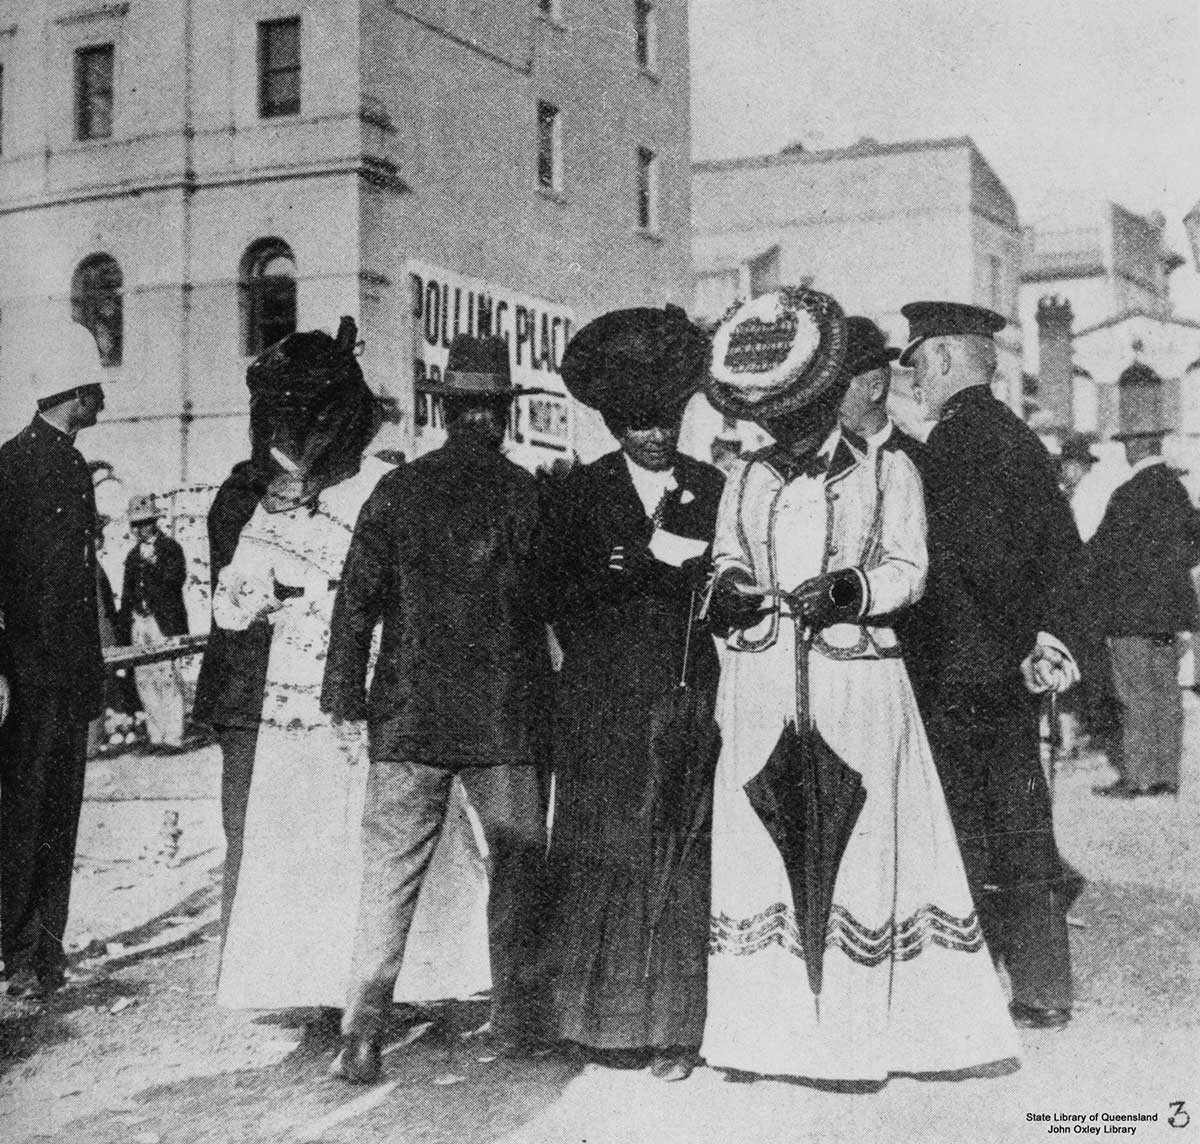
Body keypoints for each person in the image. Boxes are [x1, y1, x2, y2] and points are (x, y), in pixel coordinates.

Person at [698, 287, 1018, 1083]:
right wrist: (734, 591)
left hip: (859, 681)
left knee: (869, 842)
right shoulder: (747, 477)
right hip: (763, 679)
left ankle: (868, 1040)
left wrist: (852, 591)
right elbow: (724, 558)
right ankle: (763, 1041)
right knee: (763, 845)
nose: (791, 429)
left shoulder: (891, 472)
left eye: (804, 411)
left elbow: (910, 569)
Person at [321, 333, 554, 1085]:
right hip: (504, 719)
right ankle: (519, 1022)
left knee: (388, 876)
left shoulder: (397, 490)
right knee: (517, 868)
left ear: (450, 412)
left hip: (409, 717)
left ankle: (362, 1033)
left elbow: (355, 601)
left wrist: (344, 695)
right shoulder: (524, 493)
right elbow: (549, 603)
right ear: (502, 416)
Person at [540, 306, 723, 1082]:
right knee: (601, 856)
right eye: (641, 423)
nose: (657, 435)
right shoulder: (579, 495)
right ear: (616, 423)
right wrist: (607, 576)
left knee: (679, 857)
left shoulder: (713, 487)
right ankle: (592, 1023)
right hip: (605, 707)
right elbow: (549, 594)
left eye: (668, 419)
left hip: (685, 700)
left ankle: (674, 1032)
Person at [899, 300, 1082, 1031]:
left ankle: (965, 993)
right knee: (1022, 828)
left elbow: (979, 563)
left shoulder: (955, 444)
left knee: (965, 834)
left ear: (942, 358)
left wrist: (1011, 643)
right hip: (1005, 669)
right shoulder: (1017, 438)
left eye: (915, 365)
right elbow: (1063, 556)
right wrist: (1043, 642)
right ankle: (1042, 988)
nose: (912, 381)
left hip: (960, 669)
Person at [212, 317, 388, 1015]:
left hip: (361, 676)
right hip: (292, 692)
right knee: (304, 832)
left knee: (363, 826)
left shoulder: (379, 486)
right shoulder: (267, 497)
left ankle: (374, 979)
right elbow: (231, 605)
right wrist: (262, 589)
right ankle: (317, 981)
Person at [0, 320, 110, 1000]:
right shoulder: (38, 467)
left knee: (38, 813)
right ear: (76, 393)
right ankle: (26, 953)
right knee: (36, 815)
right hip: (39, 679)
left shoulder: (34, 461)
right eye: (96, 389)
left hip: (43, 678)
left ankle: (34, 951)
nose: (103, 400)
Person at [1083, 426, 1200, 798]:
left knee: (1135, 694)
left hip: (1131, 615)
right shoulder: (1178, 492)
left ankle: (1138, 777)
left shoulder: (1128, 494)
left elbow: (1100, 552)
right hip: (1168, 616)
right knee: (1166, 691)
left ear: (1137, 447)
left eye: (1126, 445)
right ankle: (1166, 778)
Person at [192, 394, 271, 942]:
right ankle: (242, 954)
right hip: (250, 690)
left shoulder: (250, 490)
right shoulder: (247, 497)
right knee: (247, 828)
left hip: (255, 689)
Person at [119, 495, 190, 752]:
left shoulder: (170, 548)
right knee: (144, 678)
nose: (138, 530)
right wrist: (124, 626)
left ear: (154, 523)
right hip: (139, 622)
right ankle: (156, 736)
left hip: (164, 622)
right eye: (134, 525)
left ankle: (173, 737)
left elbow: (175, 581)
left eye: (143, 524)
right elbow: (127, 594)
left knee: (168, 676)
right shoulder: (132, 555)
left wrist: (153, 565)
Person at [837, 315, 926, 468]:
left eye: (839, 387)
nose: (828, 400)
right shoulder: (821, 460)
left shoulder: (921, 463)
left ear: (875, 390)